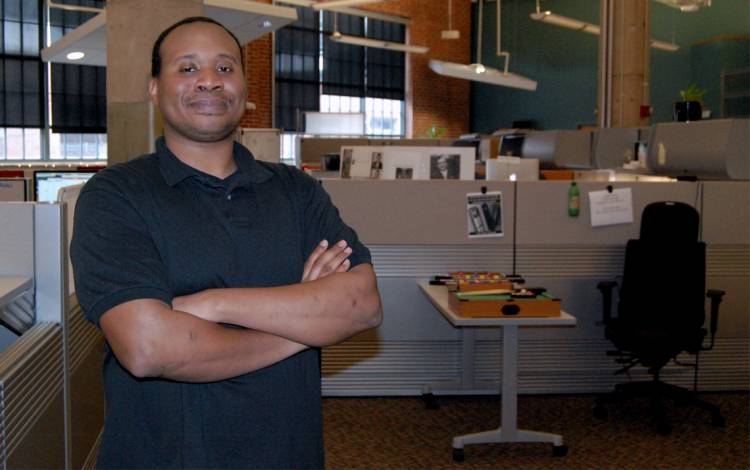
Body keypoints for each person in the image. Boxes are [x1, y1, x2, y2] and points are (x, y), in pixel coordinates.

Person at [70, 16, 382, 469]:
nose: (209, 82)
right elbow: (148, 348)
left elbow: (363, 305)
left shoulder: (296, 191)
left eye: (224, 67)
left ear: (243, 85)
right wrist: (303, 327)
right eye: (188, 68)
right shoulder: (116, 195)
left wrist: (212, 304)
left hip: (288, 456)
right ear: (155, 88)